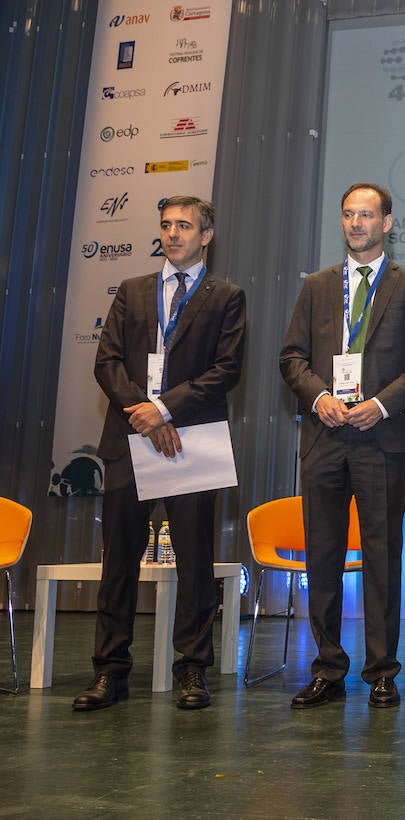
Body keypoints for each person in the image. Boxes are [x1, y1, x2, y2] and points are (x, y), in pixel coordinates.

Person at [75, 195, 246, 712]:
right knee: (119, 561)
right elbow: (107, 364)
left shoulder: (227, 296)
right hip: (130, 441)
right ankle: (110, 672)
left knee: (194, 563)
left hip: (192, 442)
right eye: (167, 225)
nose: (173, 234)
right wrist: (142, 413)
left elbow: (227, 369)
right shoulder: (131, 291)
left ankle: (191, 669)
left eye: (185, 226)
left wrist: (165, 411)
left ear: (206, 236)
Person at [279, 182, 405, 710]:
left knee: (382, 558)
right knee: (322, 558)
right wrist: (318, 396)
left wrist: (382, 404)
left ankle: (382, 672)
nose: (356, 224)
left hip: (382, 439)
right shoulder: (317, 286)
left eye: (366, 215)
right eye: (348, 214)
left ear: (387, 223)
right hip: (325, 436)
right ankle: (327, 668)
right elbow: (291, 358)